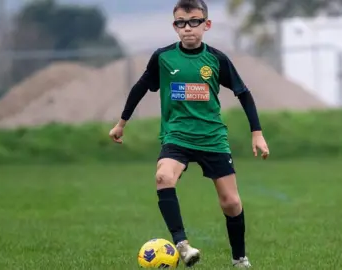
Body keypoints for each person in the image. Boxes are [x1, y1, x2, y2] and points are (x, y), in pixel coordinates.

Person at [109, 0, 269, 267]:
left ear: (206, 24)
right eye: (181, 23)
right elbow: (140, 87)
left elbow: (243, 93)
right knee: (163, 176)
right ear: (175, 26)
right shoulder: (163, 58)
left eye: (194, 21)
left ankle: (240, 258)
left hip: (212, 138)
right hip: (177, 137)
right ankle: (181, 245)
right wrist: (121, 123)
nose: (187, 28)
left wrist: (257, 133)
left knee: (230, 202)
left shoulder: (217, 59)